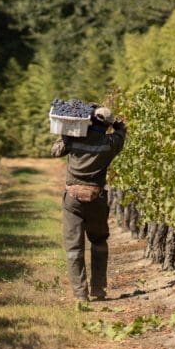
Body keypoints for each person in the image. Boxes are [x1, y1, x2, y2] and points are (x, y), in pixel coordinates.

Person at [51, 106, 126, 301]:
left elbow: (55, 151)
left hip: (73, 199)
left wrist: (65, 134)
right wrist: (118, 125)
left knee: (74, 248)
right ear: (107, 125)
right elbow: (121, 133)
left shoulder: (75, 139)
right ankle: (98, 289)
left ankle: (80, 294)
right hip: (97, 198)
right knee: (99, 241)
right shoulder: (110, 143)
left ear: (90, 120)